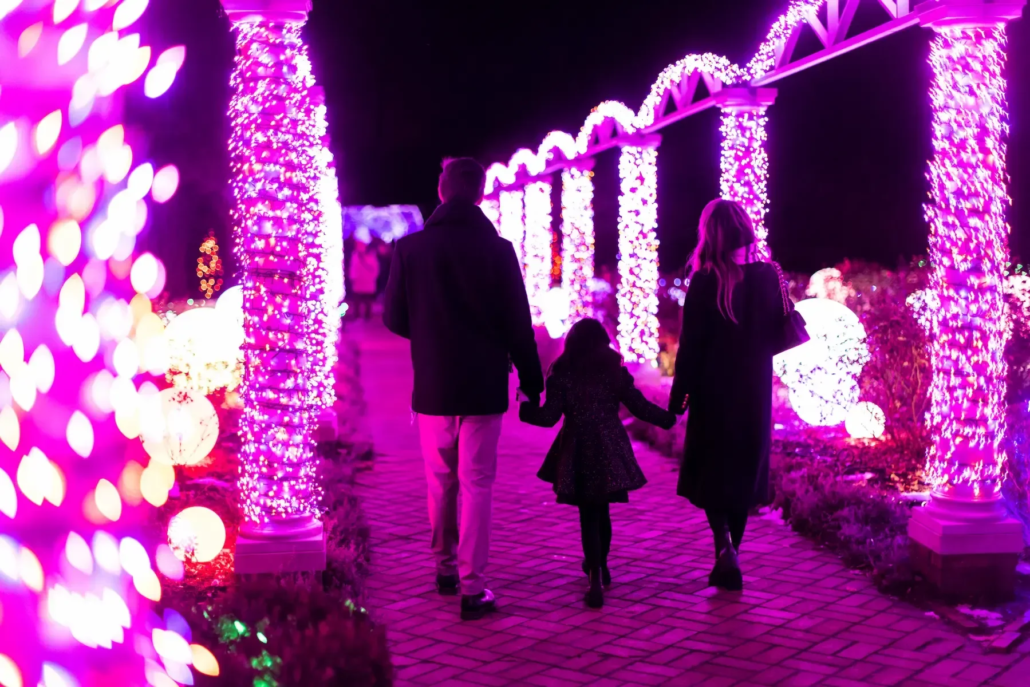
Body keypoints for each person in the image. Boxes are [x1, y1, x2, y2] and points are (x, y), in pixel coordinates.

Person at [383, 157, 543, 620]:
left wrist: (432, 335)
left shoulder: (410, 249)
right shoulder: (499, 251)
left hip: (433, 384)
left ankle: (444, 568)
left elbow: (394, 318)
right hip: (483, 385)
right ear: (478, 195)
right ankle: (473, 587)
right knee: (477, 483)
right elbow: (518, 325)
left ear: (441, 190)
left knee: (439, 480)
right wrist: (532, 382)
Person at [520, 319, 675, 608]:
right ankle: (600, 566)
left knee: (587, 513)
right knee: (602, 509)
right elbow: (638, 406)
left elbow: (548, 417)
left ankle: (594, 574)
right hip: (608, 443)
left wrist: (525, 409)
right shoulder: (612, 370)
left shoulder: (563, 373)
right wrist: (667, 419)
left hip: (577, 444)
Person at [669, 199, 782, 592]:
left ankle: (724, 547)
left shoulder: (705, 279)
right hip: (753, 390)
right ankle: (731, 553)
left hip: (713, 391)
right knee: (742, 474)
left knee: (712, 472)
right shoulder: (768, 276)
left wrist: (678, 397)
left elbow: (690, 346)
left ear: (710, 233)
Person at [348, 232, 380, 320]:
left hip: (366, 281)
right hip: (360, 280)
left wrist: (373, 277)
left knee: (366, 299)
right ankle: (358, 314)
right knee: (359, 299)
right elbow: (353, 267)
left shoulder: (370, 256)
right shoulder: (356, 255)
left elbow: (375, 268)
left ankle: (366, 315)